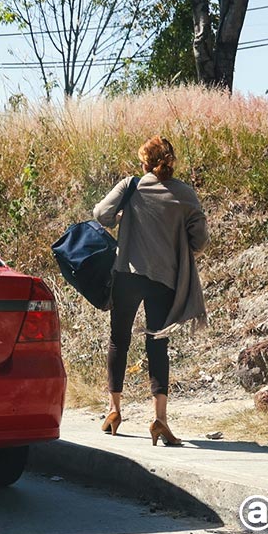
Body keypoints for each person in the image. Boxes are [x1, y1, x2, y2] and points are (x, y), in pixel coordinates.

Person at [93, 136, 208, 447]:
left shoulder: (131, 185)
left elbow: (100, 214)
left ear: (145, 162)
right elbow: (200, 240)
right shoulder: (185, 194)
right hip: (164, 279)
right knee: (158, 345)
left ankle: (114, 410)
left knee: (119, 340)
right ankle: (160, 419)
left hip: (127, 275)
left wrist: (122, 217)